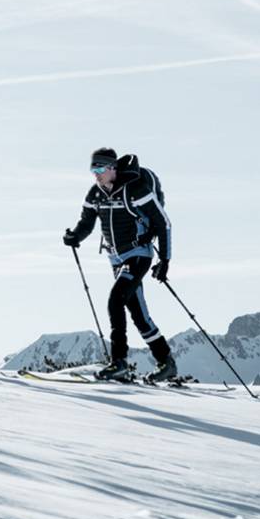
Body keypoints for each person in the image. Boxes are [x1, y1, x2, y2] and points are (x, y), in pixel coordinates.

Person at [64, 147, 179, 383]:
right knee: (138, 314)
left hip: (138, 254)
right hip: (115, 258)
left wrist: (165, 261)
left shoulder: (134, 189)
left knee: (115, 299)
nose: (95, 174)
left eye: (99, 168)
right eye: (92, 169)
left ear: (112, 168)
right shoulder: (95, 194)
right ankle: (166, 362)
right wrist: (75, 236)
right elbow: (86, 222)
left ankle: (119, 363)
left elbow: (163, 223)